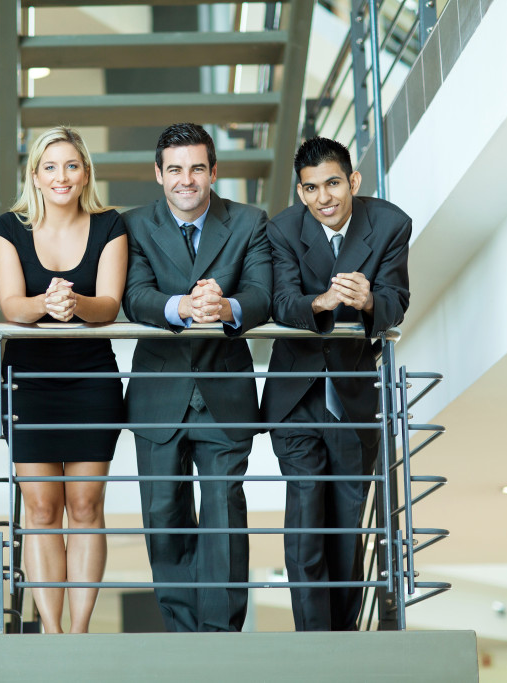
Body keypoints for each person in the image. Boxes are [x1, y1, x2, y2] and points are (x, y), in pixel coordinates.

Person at [121, 122, 272, 633]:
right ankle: (184, 635)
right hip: (159, 394)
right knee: (163, 515)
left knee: (224, 513)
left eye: (197, 168)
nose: (187, 180)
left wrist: (225, 305)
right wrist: (180, 307)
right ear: (158, 174)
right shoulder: (135, 224)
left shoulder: (250, 221)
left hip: (224, 390)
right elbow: (134, 295)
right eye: (176, 169)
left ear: (213, 171)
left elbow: (261, 293)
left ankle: (221, 636)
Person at [262, 136, 411, 631]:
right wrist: (322, 302)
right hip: (296, 397)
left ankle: (342, 641)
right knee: (306, 525)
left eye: (332, 183)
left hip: (351, 395)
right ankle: (312, 644)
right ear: (300, 192)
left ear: (353, 181)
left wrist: (369, 301)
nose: (323, 197)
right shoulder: (282, 229)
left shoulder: (389, 224)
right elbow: (281, 303)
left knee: (347, 528)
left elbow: (397, 301)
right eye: (311, 188)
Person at [0, 126, 127, 634]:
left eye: (71, 165)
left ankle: (79, 631)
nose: (61, 176)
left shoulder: (110, 224)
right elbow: (10, 305)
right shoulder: (9, 226)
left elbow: (109, 305)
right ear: (35, 175)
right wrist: (45, 306)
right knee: (42, 508)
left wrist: (76, 305)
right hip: (28, 379)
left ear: (86, 172)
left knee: (86, 504)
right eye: (50, 166)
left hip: (91, 376)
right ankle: (51, 631)